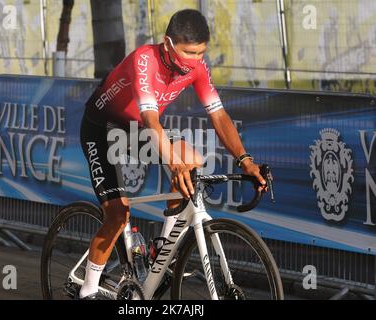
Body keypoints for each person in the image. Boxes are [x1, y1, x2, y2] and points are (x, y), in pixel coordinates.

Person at [79, 9, 267, 299]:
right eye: (189, 53)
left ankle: (161, 254)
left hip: (137, 129)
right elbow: (152, 120)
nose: (195, 61)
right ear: (168, 44)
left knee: (191, 160)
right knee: (118, 214)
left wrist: (244, 159)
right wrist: (172, 163)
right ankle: (88, 289)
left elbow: (218, 115)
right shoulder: (145, 59)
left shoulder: (197, 67)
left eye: (201, 53)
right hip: (102, 130)